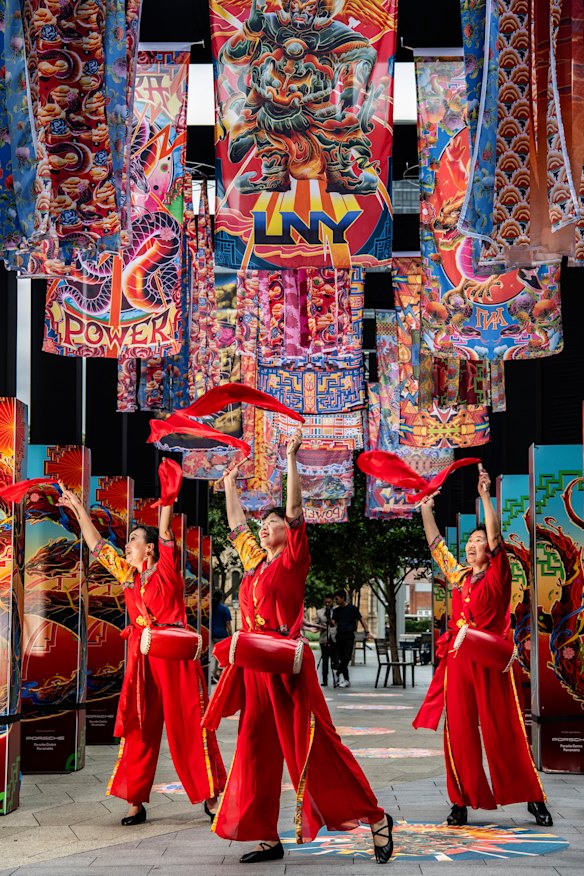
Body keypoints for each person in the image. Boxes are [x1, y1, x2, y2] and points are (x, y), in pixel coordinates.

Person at [203, 429, 394, 864]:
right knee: (253, 747)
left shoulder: (293, 561)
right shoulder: (253, 567)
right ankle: (265, 836)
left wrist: (291, 460)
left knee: (315, 746)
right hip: (255, 669)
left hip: (286, 668)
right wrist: (231, 482)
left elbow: (293, 510)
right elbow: (236, 524)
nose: (265, 526)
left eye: (270, 524)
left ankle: (376, 817)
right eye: (263, 524)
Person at [58, 473, 226, 826]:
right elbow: (97, 546)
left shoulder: (166, 568)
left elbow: (164, 531)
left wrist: (167, 499)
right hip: (143, 658)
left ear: (149, 548)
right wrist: (77, 509)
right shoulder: (127, 576)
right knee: (139, 726)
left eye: (133, 540)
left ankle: (210, 795)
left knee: (189, 726)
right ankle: (135, 799)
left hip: (176, 658)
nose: (126, 545)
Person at [414, 463, 552, 828]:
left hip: (490, 660)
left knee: (502, 728)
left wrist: (486, 497)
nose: (474, 545)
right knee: (457, 731)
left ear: (489, 553)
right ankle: (460, 801)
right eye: (470, 543)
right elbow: (436, 547)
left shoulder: (498, 575)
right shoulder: (460, 579)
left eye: (479, 543)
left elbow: (495, 536)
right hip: (459, 662)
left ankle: (533, 798)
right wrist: (427, 510)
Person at [333, 590, 372, 688]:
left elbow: (361, 619)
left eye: (337, 599)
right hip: (339, 636)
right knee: (342, 659)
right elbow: (333, 623)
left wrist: (367, 631)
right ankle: (346, 680)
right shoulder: (336, 610)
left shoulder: (352, 609)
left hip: (349, 636)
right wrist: (329, 620)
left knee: (347, 658)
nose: (336, 601)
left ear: (342, 598)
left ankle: (337, 673)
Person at [315, 595, 338, 687]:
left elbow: (335, 624)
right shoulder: (319, 612)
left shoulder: (337, 611)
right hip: (324, 638)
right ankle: (325, 680)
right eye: (326, 602)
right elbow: (317, 624)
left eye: (329, 602)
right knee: (325, 660)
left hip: (334, 638)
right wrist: (320, 627)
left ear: (333, 602)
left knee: (335, 660)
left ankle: (337, 679)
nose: (328, 604)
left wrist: (329, 618)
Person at [211, 590, 233, 683]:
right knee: (221, 655)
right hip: (221, 635)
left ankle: (212, 674)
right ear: (222, 598)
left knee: (211, 655)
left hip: (210, 634)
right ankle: (219, 673)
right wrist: (231, 635)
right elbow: (228, 624)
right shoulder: (224, 609)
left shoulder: (210, 607)